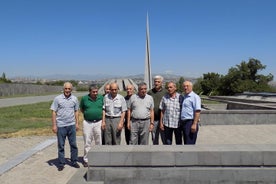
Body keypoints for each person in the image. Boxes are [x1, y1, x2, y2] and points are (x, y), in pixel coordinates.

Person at [50, 82, 80, 171]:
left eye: (69, 89)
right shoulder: (57, 99)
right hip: (61, 125)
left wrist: (77, 123)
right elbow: (54, 112)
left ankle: (74, 161)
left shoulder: (74, 99)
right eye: (66, 89)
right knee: (61, 145)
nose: (67, 90)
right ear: (63, 89)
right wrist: (54, 125)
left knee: (73, 144)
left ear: (71, 89)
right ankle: (61, 163)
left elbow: (76, 111)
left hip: (71, 125)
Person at [79, 85, 103, 167]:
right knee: (87, 142)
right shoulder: (84, 98)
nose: (95, 93)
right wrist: (88, 114)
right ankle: (86, 159)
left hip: (98, 122)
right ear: (89, 92)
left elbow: (103, 109)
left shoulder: (101, 98)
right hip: (87, 122)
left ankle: (99, 158)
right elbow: (82, 109)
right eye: (93, 92)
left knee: (98, 141)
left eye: (96, 91)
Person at [179, 80, 201, 144]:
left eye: (187, 86)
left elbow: (197, 111)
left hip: (190, 122)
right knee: (186, 142)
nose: (185, 88)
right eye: (184, 86)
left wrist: (194, 124)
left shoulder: (195, 97)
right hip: (184, 123)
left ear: (191, 87)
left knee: (190, 143)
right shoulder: (185, 96)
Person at [147, 75, 166, 145]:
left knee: (164, 138)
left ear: (161, 83)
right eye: (155, 81)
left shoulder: (165, 92)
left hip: (163, 120)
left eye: (158, 82)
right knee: (154, 138)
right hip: (153, 120)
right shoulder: (150, 92)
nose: (156, 83)